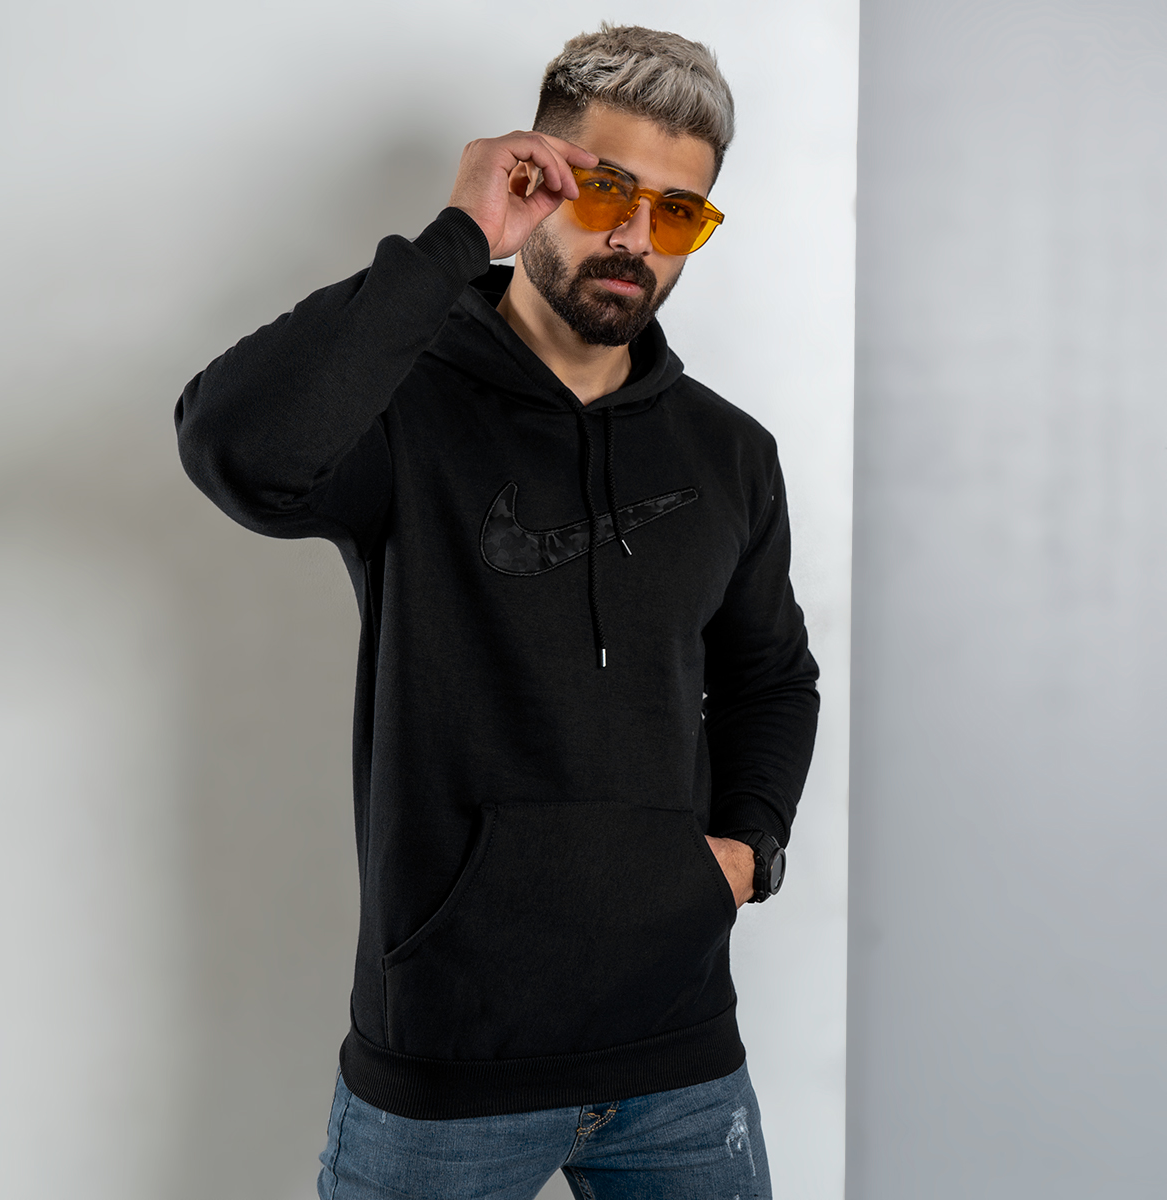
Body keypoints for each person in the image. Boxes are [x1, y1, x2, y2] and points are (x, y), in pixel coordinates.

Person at [176, 22, 819, 1200]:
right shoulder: (401, 411)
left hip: (682, 1067)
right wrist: (458, 237)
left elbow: (772, 675)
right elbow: (236, 447)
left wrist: (749, 851)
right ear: (539, 175)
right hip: (448, 1073)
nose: (635, 237)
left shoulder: (730, 453)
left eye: (678, 213)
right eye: (608, 189)